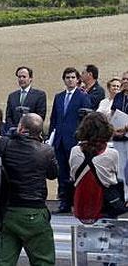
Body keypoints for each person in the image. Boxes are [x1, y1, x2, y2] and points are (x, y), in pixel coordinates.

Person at [0, 113, 58, 266]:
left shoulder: (4, 145)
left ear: (20, 128)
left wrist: (11, 136)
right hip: (35, 212)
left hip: (8, 212)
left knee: (4, 262)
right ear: (40, 132)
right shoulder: (46, 151)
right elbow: (53, 174)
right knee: (44, 261)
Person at [49, 67, 92, 214]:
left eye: (73, 77)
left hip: (75, 141)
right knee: (62, 173)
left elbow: (87, 120)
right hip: (60, 140)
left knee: (76, 172)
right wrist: (51, 138)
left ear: (77, 79)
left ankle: (77, 202)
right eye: (67, 77)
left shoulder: (82, 97)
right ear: (64, 79)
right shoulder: (59, 97)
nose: (70, 80)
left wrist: (84, 139)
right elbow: (54, 118)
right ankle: (64, 202)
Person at [70, 112, 121, 215]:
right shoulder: (112, 153)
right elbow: (117, 176)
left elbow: (72, 175)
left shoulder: (74, 151)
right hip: (105, 204)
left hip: (81, 203)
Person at [4, 66, 47, 132]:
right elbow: (8, 116)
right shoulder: (12, 96)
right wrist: (15, 129)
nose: (21, 79)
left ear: (30, 78)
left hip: (32, 134)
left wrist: (26, 130)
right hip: (15, 135)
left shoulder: (39, 95)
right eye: (19, 77)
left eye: (24, 77)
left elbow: (40, 116)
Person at [110, 71, 128, 201]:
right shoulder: (118, 96)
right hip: (118, 137)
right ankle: (122, 197)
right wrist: (113, 129)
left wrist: (126, 128)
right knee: (119, 168)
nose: (125, 81)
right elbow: (113, 114)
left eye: (127, 79)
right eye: (123, 79)